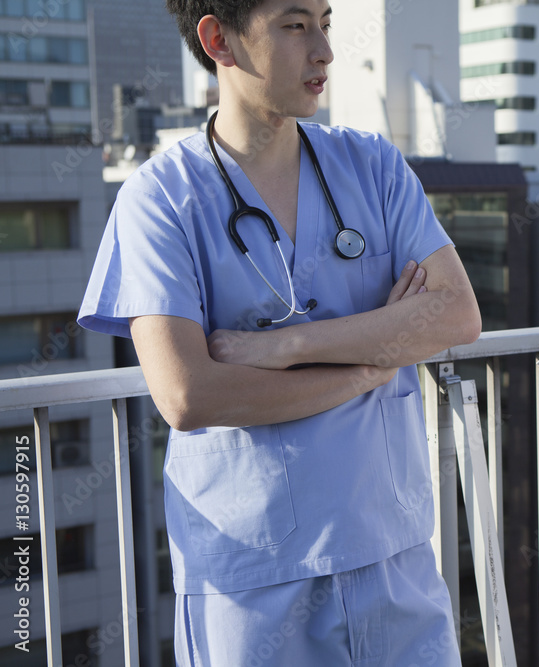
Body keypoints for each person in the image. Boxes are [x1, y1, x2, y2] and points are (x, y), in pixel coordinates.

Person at [77, 0, 480, 664]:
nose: (324, 49)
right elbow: (189, 395)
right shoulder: (159, 200)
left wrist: (288, 346)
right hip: (253, 586)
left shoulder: (372, 166)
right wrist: (373, 361)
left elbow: (458, 315)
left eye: (324, 21)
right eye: (295, 26)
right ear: (218, 39)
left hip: (393, 559)